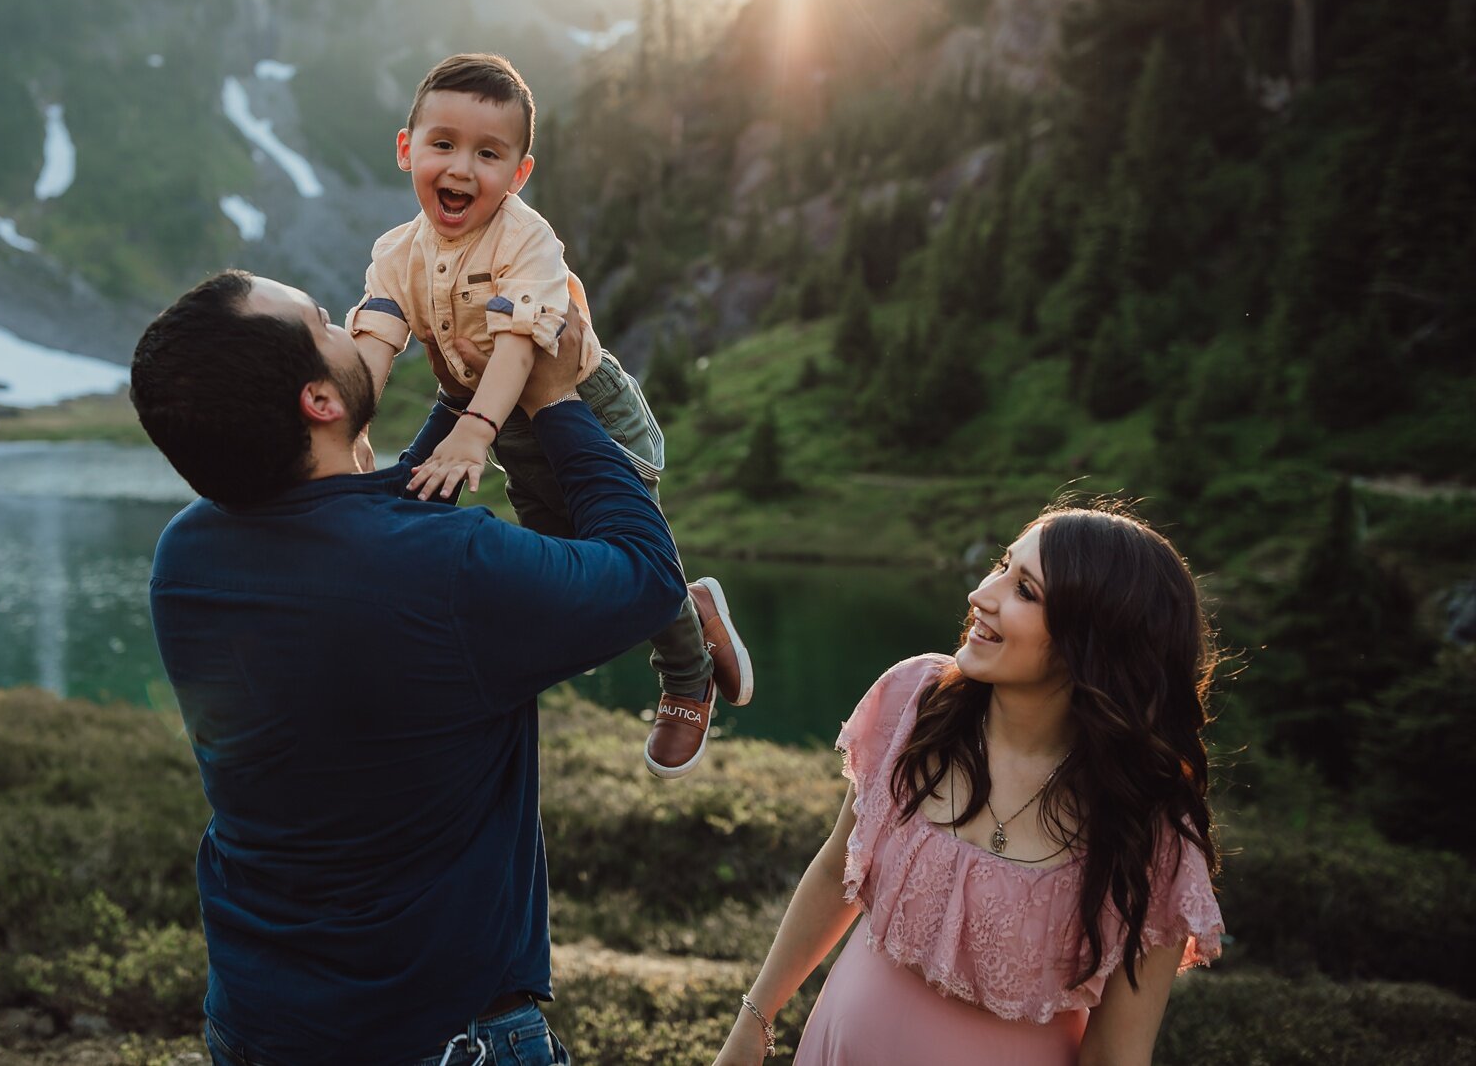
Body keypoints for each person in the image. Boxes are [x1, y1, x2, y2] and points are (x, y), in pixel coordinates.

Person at [131, 269, 740, 1065]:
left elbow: (368, 535)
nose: (352, 326)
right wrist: (554, 399)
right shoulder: (448, 570)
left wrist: (460, 409)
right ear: (320, 400)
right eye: (325, 323)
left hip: (258, 1021)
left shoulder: (187, 555)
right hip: (443, 1036)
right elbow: (644, 575)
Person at [347, 52, 754, 777]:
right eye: (443, 144)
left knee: (627, 558)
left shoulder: (526, 238)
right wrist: (353, 426)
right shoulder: (395, 253)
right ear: (407, 148)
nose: (462, 169)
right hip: (508, 429)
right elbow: (377, 334)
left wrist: (475, 429)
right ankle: (693, 606)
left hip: (587, 410)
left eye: (489, 153)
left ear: (519, 172)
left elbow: (520, 340)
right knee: (579, 576)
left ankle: (687, 671)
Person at [711, 502, 1224, 1066]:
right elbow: (839, 870)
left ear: (1096, 641)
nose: (982, 595)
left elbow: (1115, 1056)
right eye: (1002, 567)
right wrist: (752, 1024)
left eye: (1025, 591)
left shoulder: (1147, 834)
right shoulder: (915, 706)